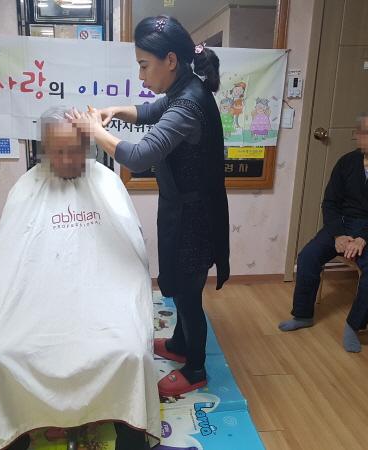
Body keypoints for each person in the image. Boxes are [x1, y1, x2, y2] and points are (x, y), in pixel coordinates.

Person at [0, 107, 159, 450]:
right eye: (58, 151)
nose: (67, 159)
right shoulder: (25, 189)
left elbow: (131, 257)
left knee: (131, 352)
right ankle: (10, 433)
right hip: (35, 307)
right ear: (44, 150)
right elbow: (5, 263)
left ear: (89, 147)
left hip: (103, 305)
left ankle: (131, 434)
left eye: (74, 150)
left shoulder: (108, 184)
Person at [68, 15, 230, 397]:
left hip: (195, 216)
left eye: (144, 65)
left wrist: (96, 131)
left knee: (188, 294)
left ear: (170, 60)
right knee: (181, 285)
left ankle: (195, 368)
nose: (141, 75)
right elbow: (149, 112)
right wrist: (113, 111)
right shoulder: (183, 88)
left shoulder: (189, 104)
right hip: (181, 209)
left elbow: (140, 156)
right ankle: (179, 344)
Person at [278, 108, 368, 352]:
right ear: (357, 135)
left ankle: (354, 325)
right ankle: (303, 315)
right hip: (344, 224)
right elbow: (330, 203)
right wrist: (338, 234)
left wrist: (364, 238)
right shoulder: (346, 163)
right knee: (308, 256)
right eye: (365, 132)